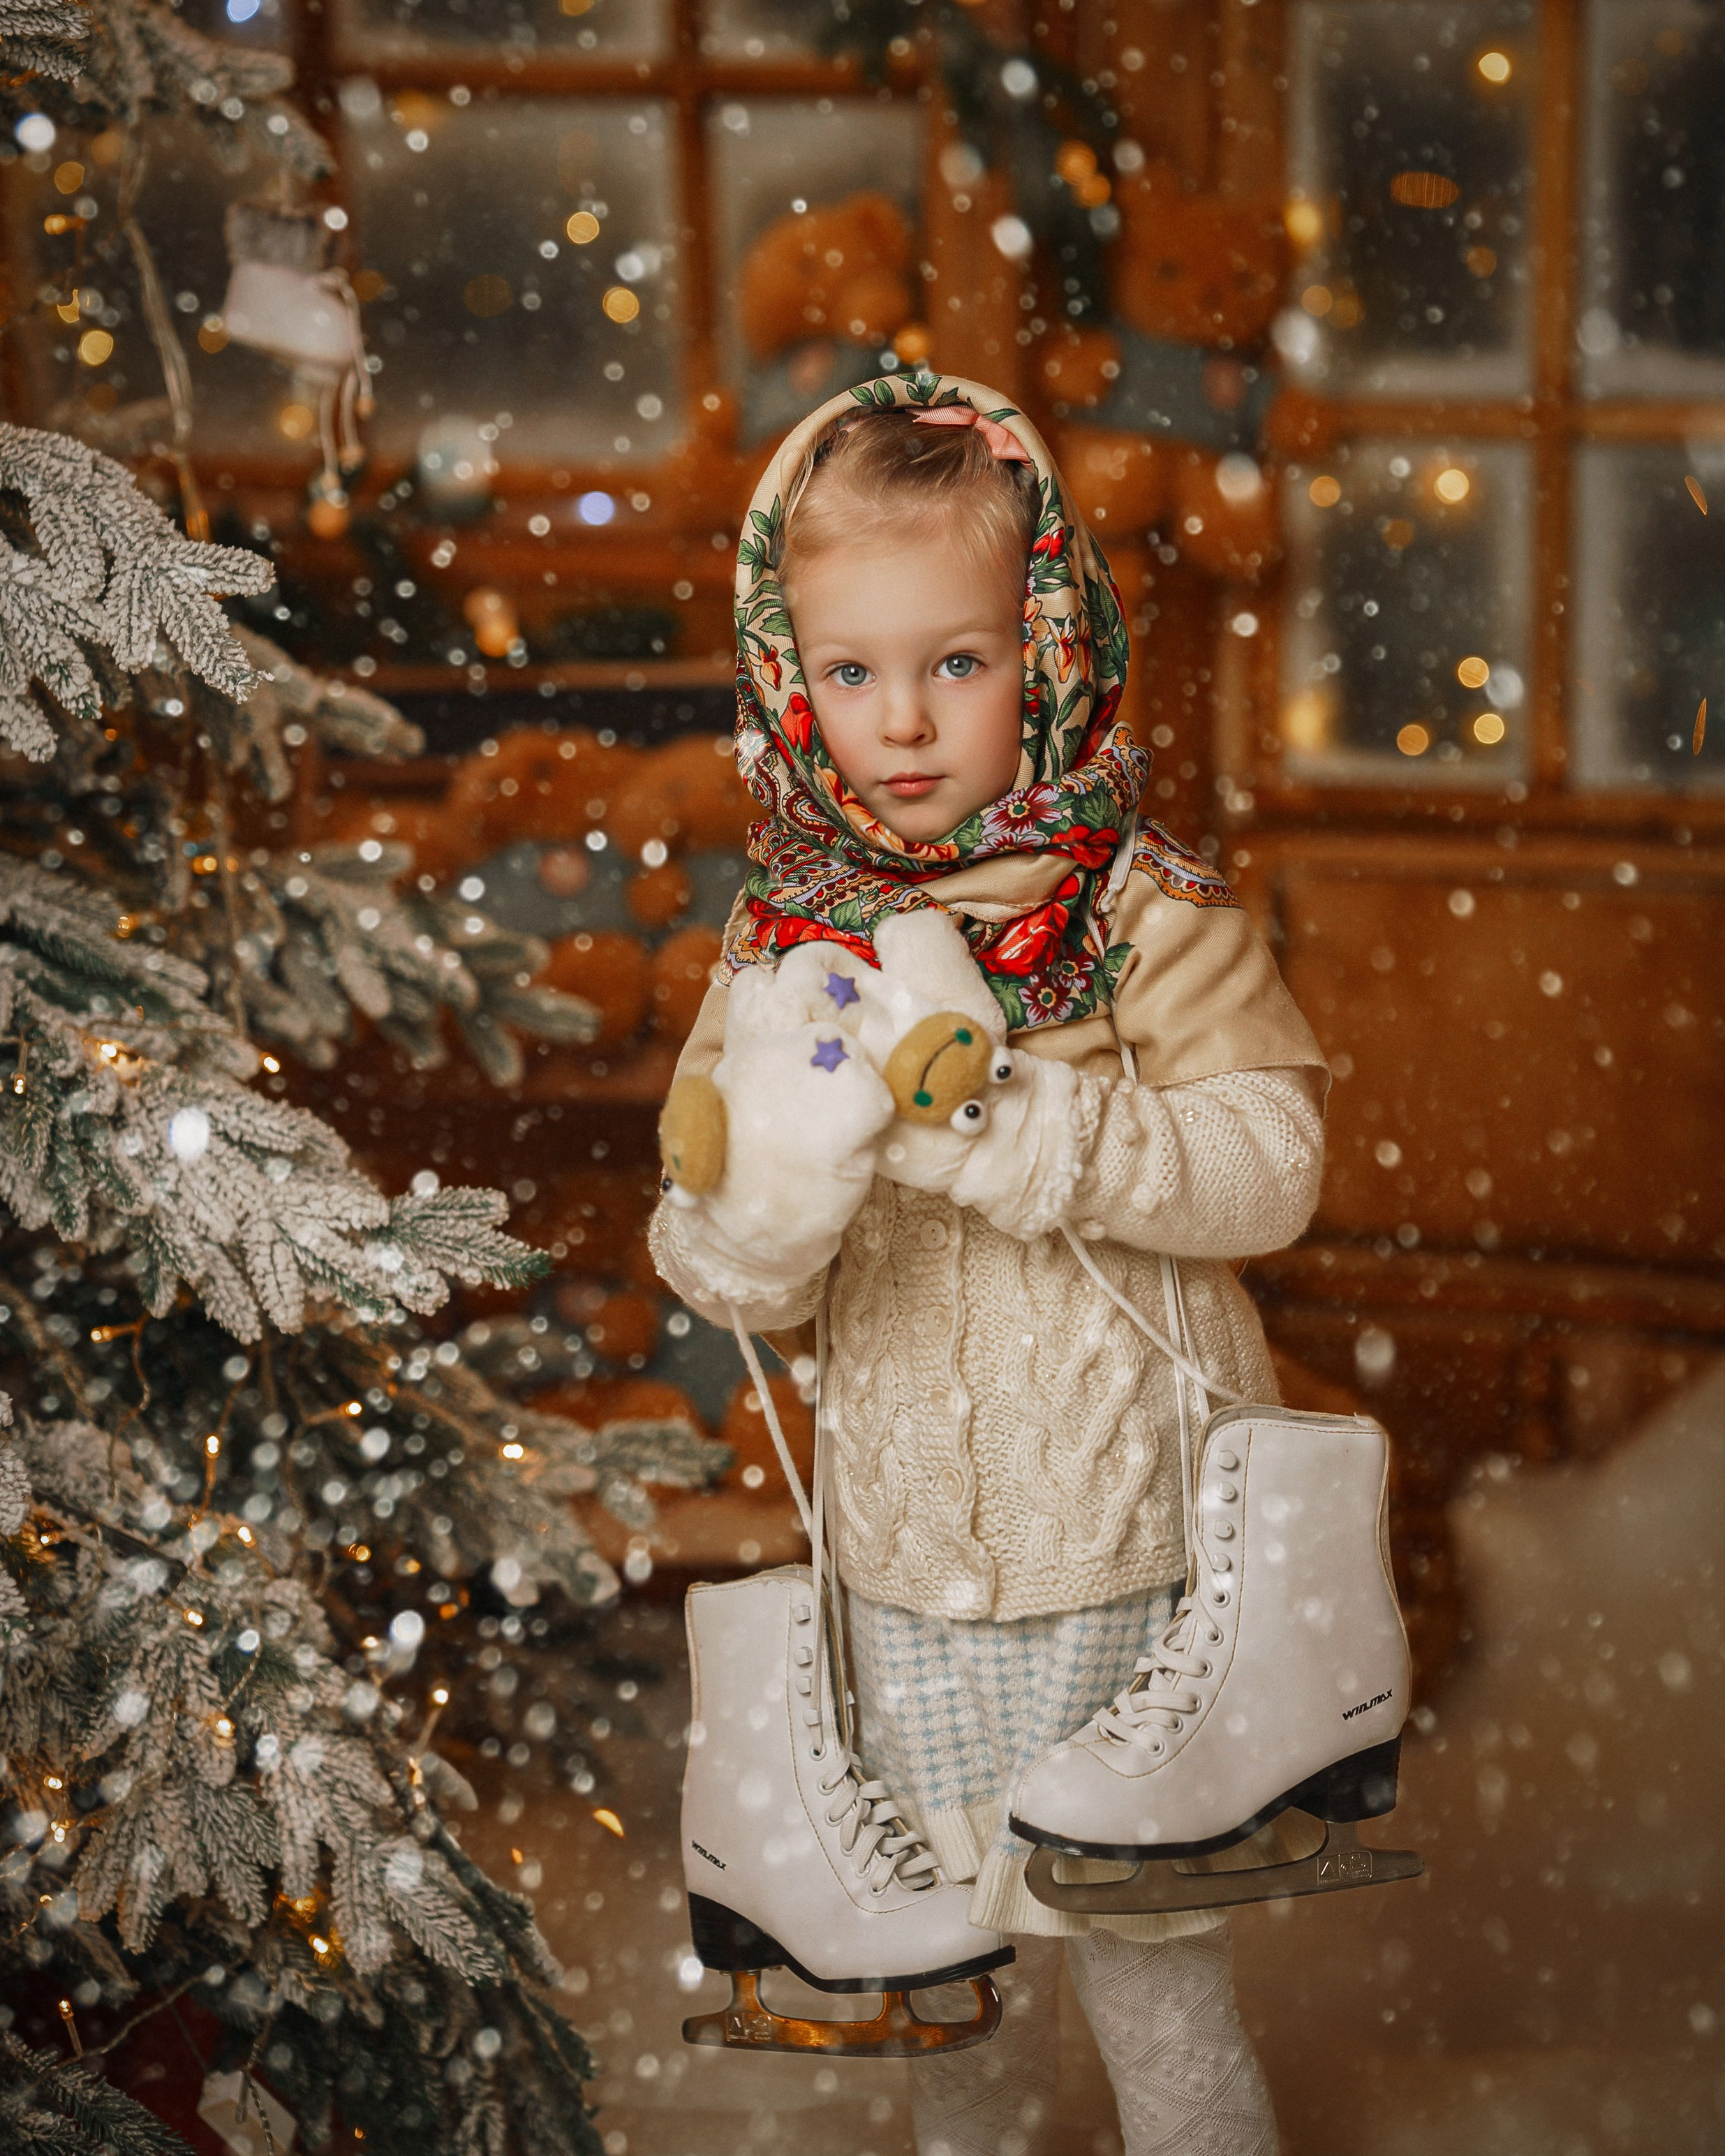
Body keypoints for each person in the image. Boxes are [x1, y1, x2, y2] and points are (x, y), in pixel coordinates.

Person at [651, 374, 1329, 2156]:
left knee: (1149, 1983)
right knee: (930, 1967)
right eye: (852, 671)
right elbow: (711, 1235)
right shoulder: (780, 939)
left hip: (1127, 1537)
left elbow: (1273, 1169)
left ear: (1044, 640)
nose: (900, 722)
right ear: (789, 677)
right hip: (908, 1568)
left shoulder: (1135, 907)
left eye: (955, 662)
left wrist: (1036, 1131)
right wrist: (763, 1215)